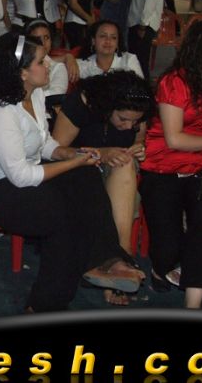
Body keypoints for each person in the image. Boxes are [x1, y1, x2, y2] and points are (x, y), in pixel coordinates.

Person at [0, 34, 145, 314]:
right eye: (41, 61)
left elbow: (43, 143)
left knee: (87, 177)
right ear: (22, 72)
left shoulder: (34, 94)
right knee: (62, 215)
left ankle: (106, 259)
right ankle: (45, 306)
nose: (49, 66)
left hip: (17, 176)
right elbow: (21, 176)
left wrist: (71, 154)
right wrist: (74, 162)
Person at [139, 20, 202, 309]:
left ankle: (193, 303)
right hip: (162, 166)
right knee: (167, 246)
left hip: (198, 166)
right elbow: (174, 139)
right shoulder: (174, 82)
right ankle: (163, 268)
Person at [53, 70, 155, 305]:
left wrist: (139, 148)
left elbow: (139, 139)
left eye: (135, 122)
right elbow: (56, 151)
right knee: (112, 176)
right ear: (108, 108)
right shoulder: (81, 103)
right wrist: (100, 153)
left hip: (115, 170)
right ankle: (118, 261)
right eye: (123, 119)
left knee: (125, 164)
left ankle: (119, 259)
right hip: (76, 168)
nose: (128, 126)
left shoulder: (138, 107)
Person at [77, 19, 143, 79]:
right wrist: (70, 58)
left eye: (113, 37)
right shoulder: (82, 65)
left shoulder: (129, 60)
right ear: (93, 41)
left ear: (117, 43)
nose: (108, 41)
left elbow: (141, 87)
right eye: (103, 36)